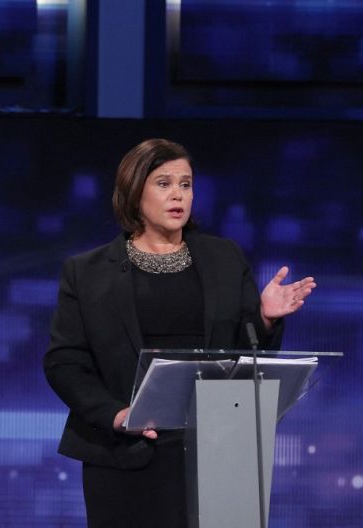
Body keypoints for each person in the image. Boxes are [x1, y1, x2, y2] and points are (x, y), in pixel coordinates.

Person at [43, 138, 315, 527]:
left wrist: (266, 318)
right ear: (134, 191)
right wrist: (117, 415)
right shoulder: (87, 272)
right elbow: (63, 362)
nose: (178, 195)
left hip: (219, 451)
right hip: (125, 453)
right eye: (164, 183)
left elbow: (244, 352)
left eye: (186, 184)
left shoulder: (224, 258)